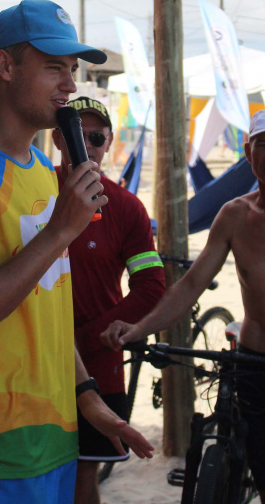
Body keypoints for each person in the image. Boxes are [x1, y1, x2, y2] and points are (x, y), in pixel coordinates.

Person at [0, 0, 153, 504]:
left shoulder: (42, 170)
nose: (70, 84)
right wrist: (60, 231)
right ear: (5, 66)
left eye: (72, 70)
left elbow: (46, 308)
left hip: (52, 439)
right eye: (53, 68)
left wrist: (89, 400)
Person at [103, 108, 265, 504]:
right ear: (247, 152)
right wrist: (139, 329)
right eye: (263, 146)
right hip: (255, 365)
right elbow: (192, 284)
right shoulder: (234, 214)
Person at [50, 95, 166, 504]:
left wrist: (100, 332)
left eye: (96, 137)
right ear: (56, 140)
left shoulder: (127, 208)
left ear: (109, 143)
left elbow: (151, 283)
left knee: (85, 479)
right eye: (75, 136)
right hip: (32, 360)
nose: (88, 147)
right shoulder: (30, 193)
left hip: (97, 364)